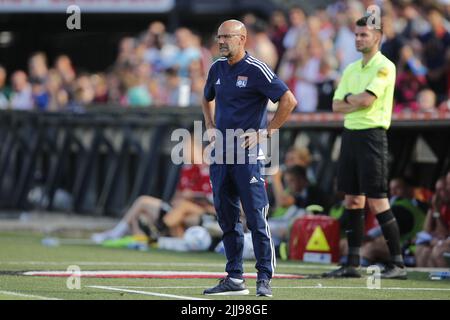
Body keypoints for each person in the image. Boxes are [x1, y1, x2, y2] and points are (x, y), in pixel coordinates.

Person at [201, 19, 297, 297]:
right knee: (226, 216)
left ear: (242, 39)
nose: (221, 41)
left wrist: (267, 133)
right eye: (219, 36)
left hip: (247, 155)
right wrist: (208, 123)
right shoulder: (216, 67)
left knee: (256, 216)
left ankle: (264, 278)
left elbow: (289, 100)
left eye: (227, 37)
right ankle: (234, 277)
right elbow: (206, 96)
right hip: (221, 154)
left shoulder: (256, 69)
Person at [323, 15, 407, 279]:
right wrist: (352, 100)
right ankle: (352, 263)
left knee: (378, 200)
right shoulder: (350, 69)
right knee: (352, 199)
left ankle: (398, 264)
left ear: (377, 37)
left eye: (364, 35)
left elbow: (367, 100)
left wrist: (350, 99)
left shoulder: (385, 66)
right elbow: (336, 105)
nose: (359, 39)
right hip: (350, 135)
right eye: (357, 35)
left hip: (372, 135)